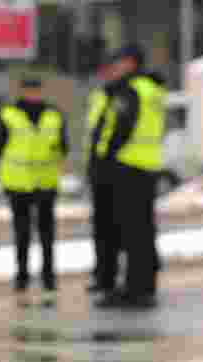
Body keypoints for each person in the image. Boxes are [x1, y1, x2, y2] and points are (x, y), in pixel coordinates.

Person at [93, 44, 166, 309]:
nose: (116, 67)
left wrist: (106, 156)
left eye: (119, 62)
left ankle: (135, 289)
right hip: (146, 165)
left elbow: (121, 126)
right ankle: (144, 285)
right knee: (143, 230)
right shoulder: (152, 89)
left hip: (127, 167)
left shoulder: (131, 89)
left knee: (132, 231)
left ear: (131, 63)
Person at [0, 76, 68, 293]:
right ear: (22, 91)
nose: (33, 94)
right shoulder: (8, 114)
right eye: (29, 90)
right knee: (22, 232)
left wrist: (59, 158)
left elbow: (63, 145)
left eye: (36, 90)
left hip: (46, 181)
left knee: (47, 232)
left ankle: (48, 275)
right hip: (18, 182)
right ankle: (22, 275)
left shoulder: (54, 114)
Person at [86, 61, 116, 294]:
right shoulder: (100, 97)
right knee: (101, 226)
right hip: (99, 169)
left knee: (111, 226)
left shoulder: (118, 96)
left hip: (113, 169)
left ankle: (108, 275)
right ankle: (103, 273)